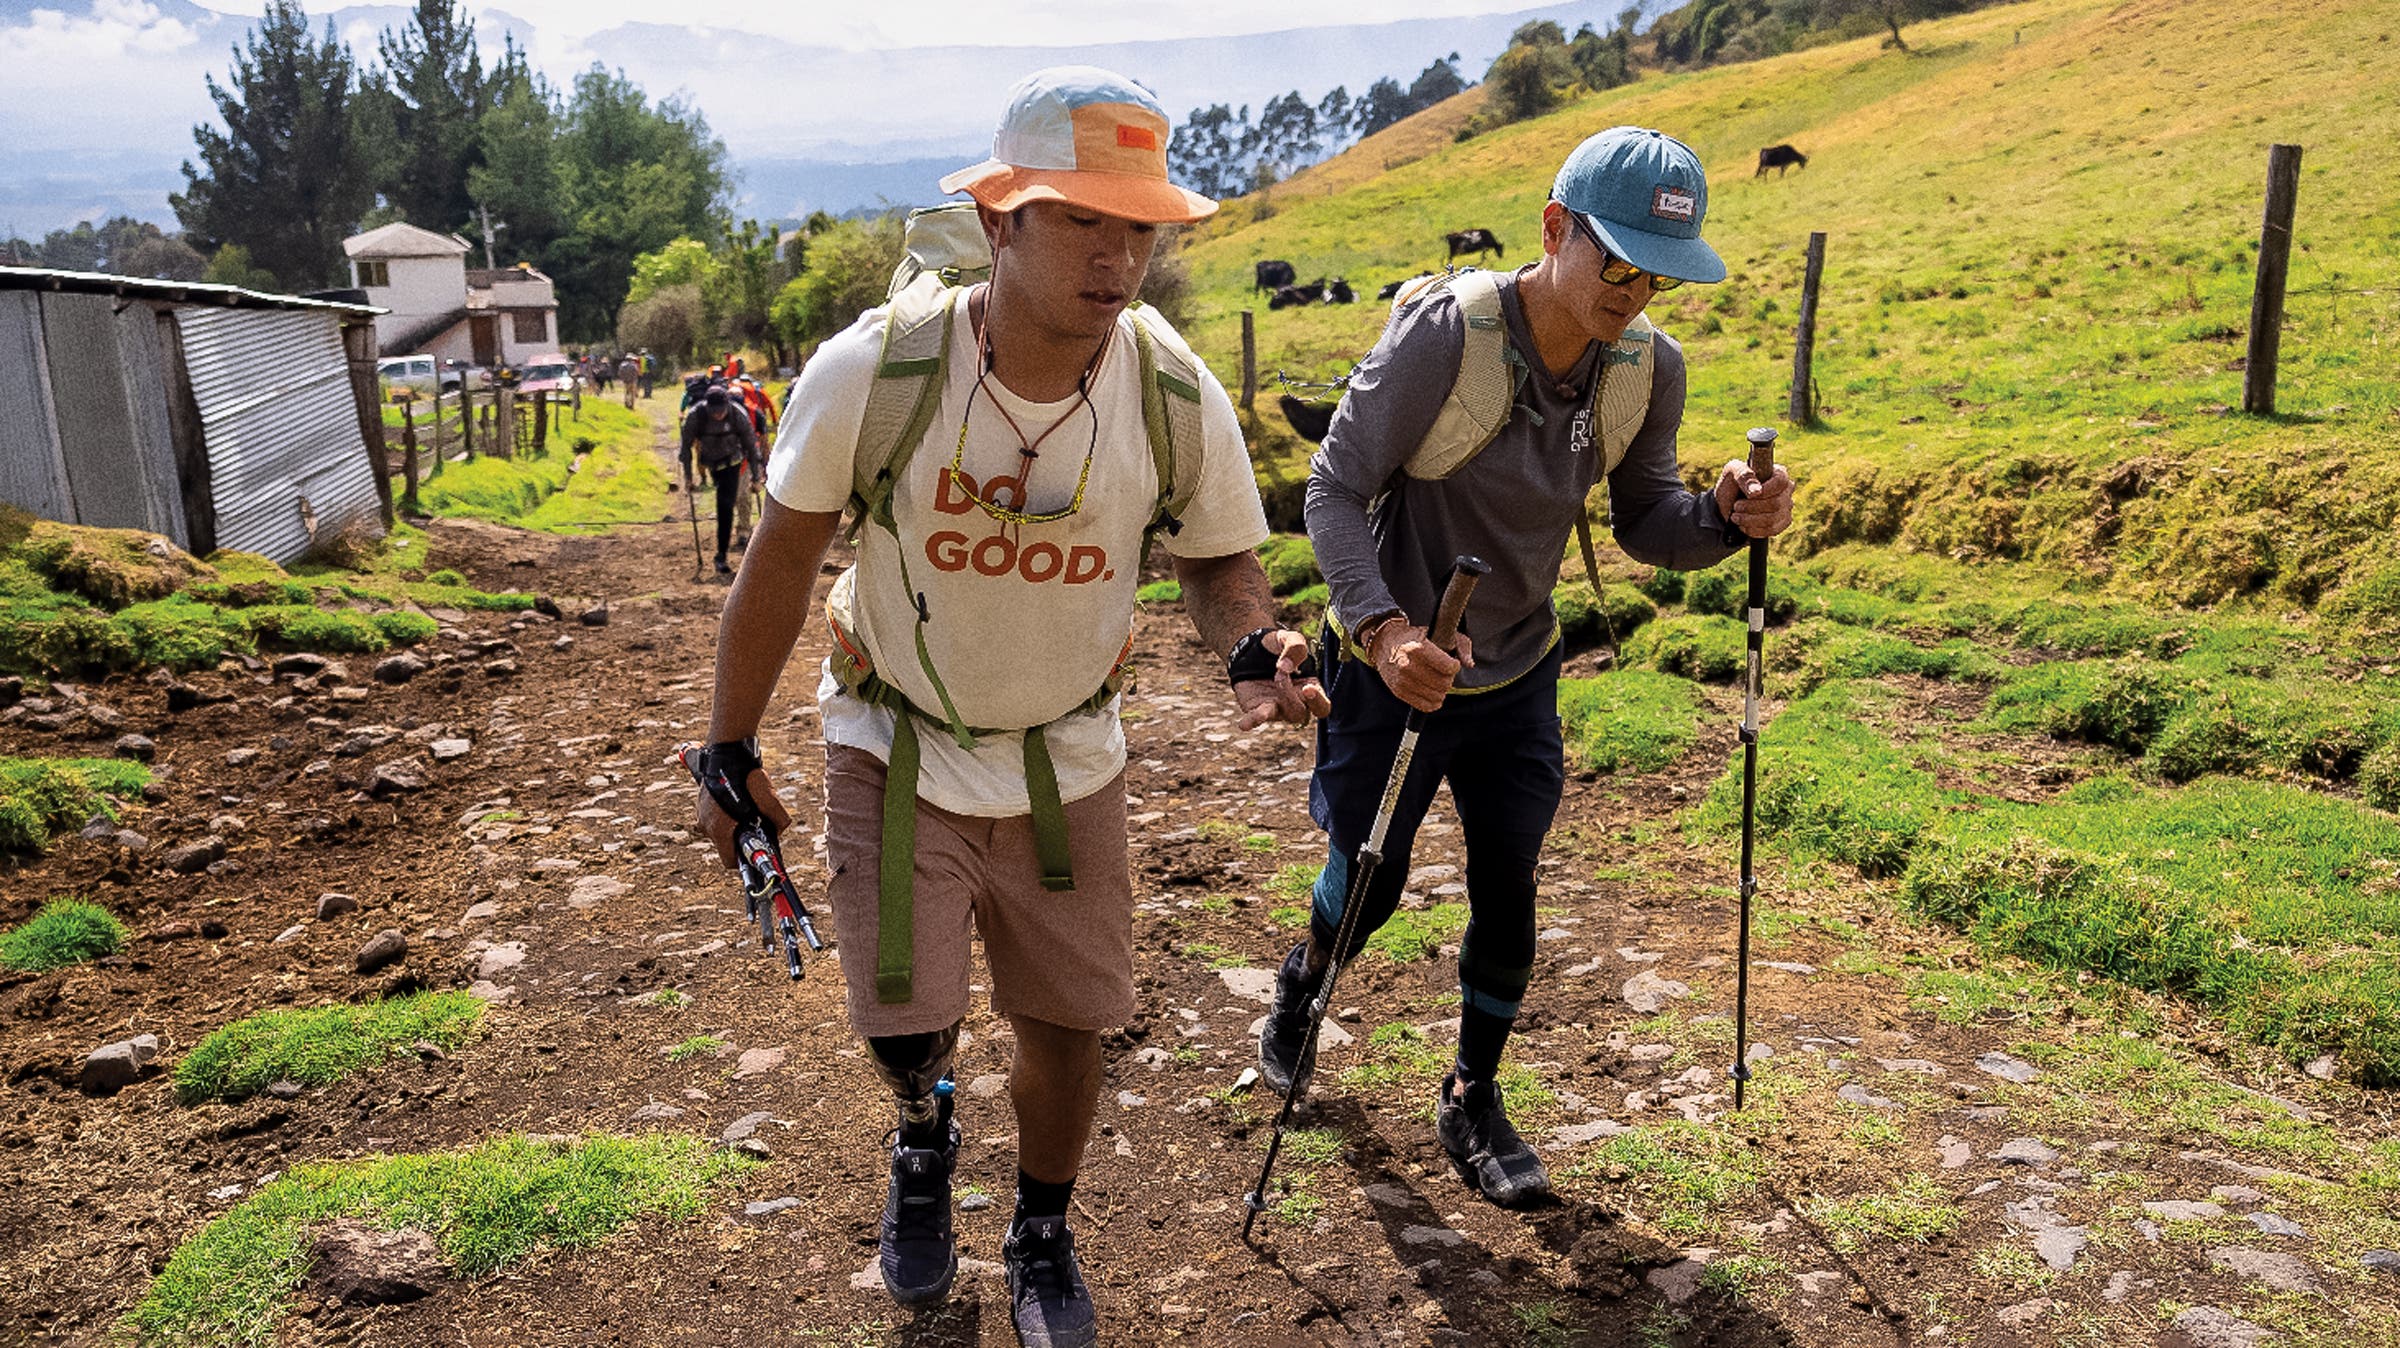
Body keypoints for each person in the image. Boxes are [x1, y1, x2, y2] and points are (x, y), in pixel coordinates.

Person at [693, 66, 1329, 1348]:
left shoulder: (1168, 388)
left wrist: (1253, 643)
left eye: (1137, 225)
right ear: (1000, 221)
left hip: (1067, 754)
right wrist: (726, 746)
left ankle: (1043, 1224)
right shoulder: (875, 371)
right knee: (907, 1017)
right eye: (1082, 219)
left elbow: (1215, 559)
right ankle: (925, 1131)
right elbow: (783, 556)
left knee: (1068, 1021)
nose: (1118, 254)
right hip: (897, 735)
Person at [1262, 126, 1796, 1208]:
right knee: (1371, 879)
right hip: (1394, 665)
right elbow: (1331, 489)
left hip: (1519, 670)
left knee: (1510, 887)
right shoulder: (1442, 337)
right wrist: (1380, 631)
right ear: (1556, 230)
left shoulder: (1649, 366)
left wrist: (1731, 520)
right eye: (1618, 261)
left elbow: (1650, 521)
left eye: (1660, 273)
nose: (1636, 292)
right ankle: (1304, 983)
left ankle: (1473, 1093)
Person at [679, 384, 758, 575]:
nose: (718, 415)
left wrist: (756, 476)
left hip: (732, 463)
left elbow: (751, 446)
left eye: (721, 411)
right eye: (714, 412)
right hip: (710, 463)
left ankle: (720, 556)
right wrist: (689, 478)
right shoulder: (696, 416)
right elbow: (685, 450)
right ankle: (721, 553)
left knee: (725, 506)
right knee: (724, 503)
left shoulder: (737, 414)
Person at [729, 374, 776, 548]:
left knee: (743, 496)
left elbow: (763, 441)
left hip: (747, 459)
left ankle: (743, 531)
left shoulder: (755, 413)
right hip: (726, 461)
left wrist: (765, 464)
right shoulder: (720, 413)